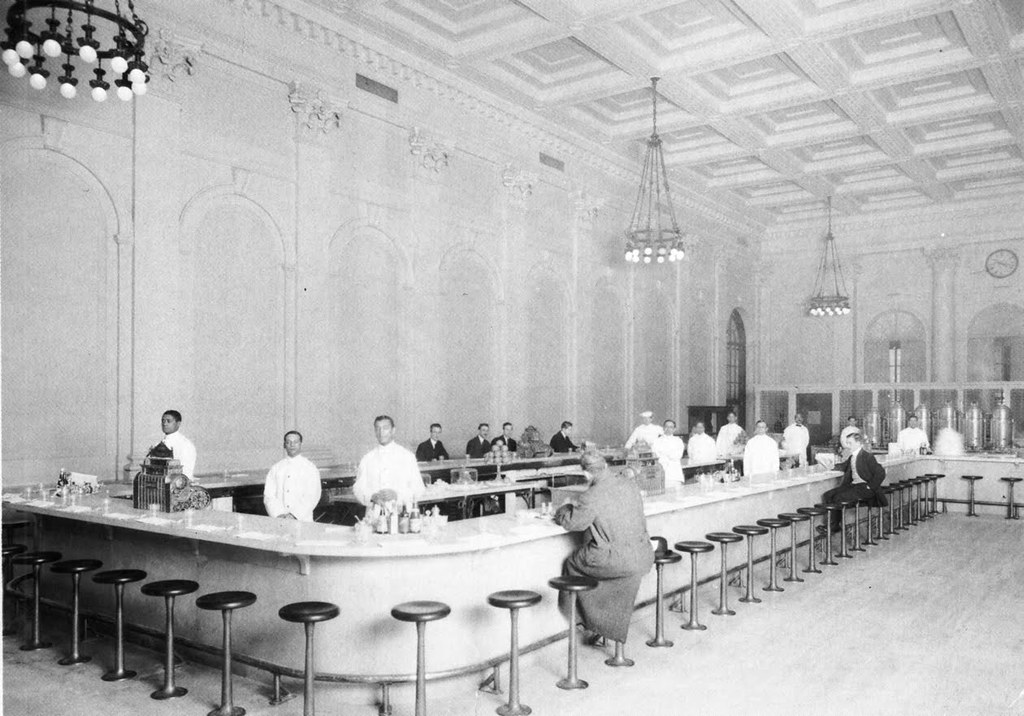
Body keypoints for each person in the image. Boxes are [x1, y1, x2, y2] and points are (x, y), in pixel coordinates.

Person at [554, 451, 654, 646]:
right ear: (606, 466)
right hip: (644, 554)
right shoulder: (629, 484)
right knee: (606, 572)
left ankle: (584, 622)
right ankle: (604, 624)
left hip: (616, 560)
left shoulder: (591, 495)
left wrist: (564, 509)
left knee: (572, 564)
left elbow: (574, 524)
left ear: (586, 474)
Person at [821, 427, 887, 532]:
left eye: (850, 443)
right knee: (827, 495)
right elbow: (844, 466)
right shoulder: (852, 456)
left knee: (838, 498)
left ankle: (834, 526)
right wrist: (831, 466)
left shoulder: (867, 456)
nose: (847, 446)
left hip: (864, 488)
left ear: (858, 443)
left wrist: (870, 487)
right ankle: (833, 524)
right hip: (855, 486)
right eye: (847, 443)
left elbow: (881, 473)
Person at [353, 415, 425, 511]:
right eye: (377, 429)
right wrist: (372, 496)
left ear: (393, 430)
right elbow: (358, 488)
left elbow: (419, 489)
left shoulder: (407, 457)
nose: (381, 432)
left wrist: (397, 495)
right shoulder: (367, 459)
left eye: (385, 428)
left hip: (402, 514)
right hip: (375, 515)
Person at [263, 431, 322, 522]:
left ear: (300, 444)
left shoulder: (310, 468)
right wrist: (278, 514)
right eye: (288, 442)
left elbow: (312, 496)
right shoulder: (276, 468)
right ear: (284, 445)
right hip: (279, 520)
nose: (292, 445)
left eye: (295, 442)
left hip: (303, 520)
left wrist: (294, 515)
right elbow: (269, 495)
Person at [152, 410, 197, 479]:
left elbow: (186, 473)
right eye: (163, 421)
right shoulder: (156, 445)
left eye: (168, 421)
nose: (165, 424)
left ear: (178, 423)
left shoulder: (186, 445)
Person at [652, 420, 685, 486]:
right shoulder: (656, 441)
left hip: (674, 473)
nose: (668, 429)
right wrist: (669, 453)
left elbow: (677, 456)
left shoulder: (678, 441)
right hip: (661, 472)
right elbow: (655, 456)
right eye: (666, 426)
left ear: (674, 429)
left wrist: (663, 453)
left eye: (671, 427)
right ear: (663, 428)